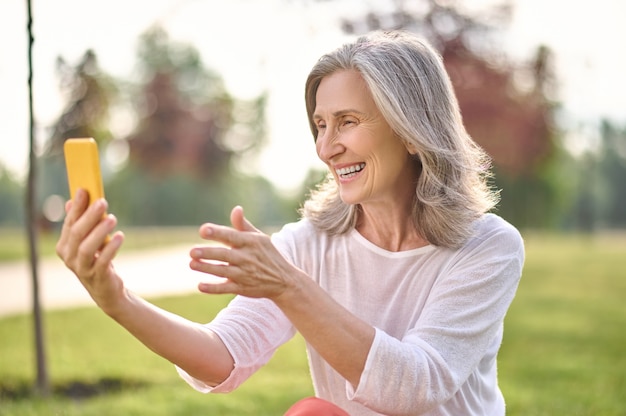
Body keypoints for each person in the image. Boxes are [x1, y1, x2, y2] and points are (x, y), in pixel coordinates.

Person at [56, 30, 524, 415]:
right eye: (321, 125)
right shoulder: (308, 245)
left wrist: (289, 286)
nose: (326, 147)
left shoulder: (487, 247)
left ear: (411, 131)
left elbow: (414, 386)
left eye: (347, 121)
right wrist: (118, 300)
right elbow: (222, 357)